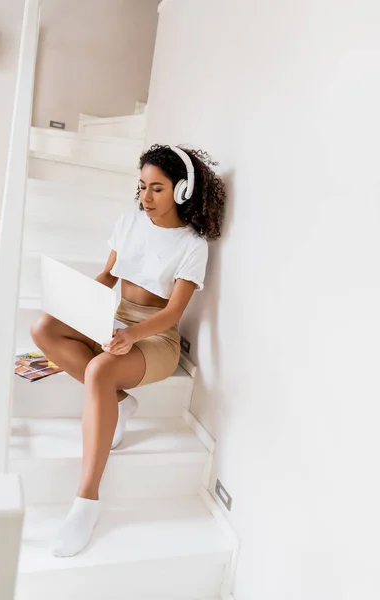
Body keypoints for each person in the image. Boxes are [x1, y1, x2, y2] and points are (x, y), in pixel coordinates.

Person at [31, 143, 226, 557]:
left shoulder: (193, 245)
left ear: (183, 190)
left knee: (101, 369)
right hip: (114, 317)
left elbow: (174, 312)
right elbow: (107, 274)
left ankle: (86, 500)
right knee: (44, 327)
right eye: (141, 187)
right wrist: (80, 302)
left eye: (157, 188)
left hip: (155, 337)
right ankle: (118, 402)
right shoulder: (129, 222)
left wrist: (133, 337)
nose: (146, 198)